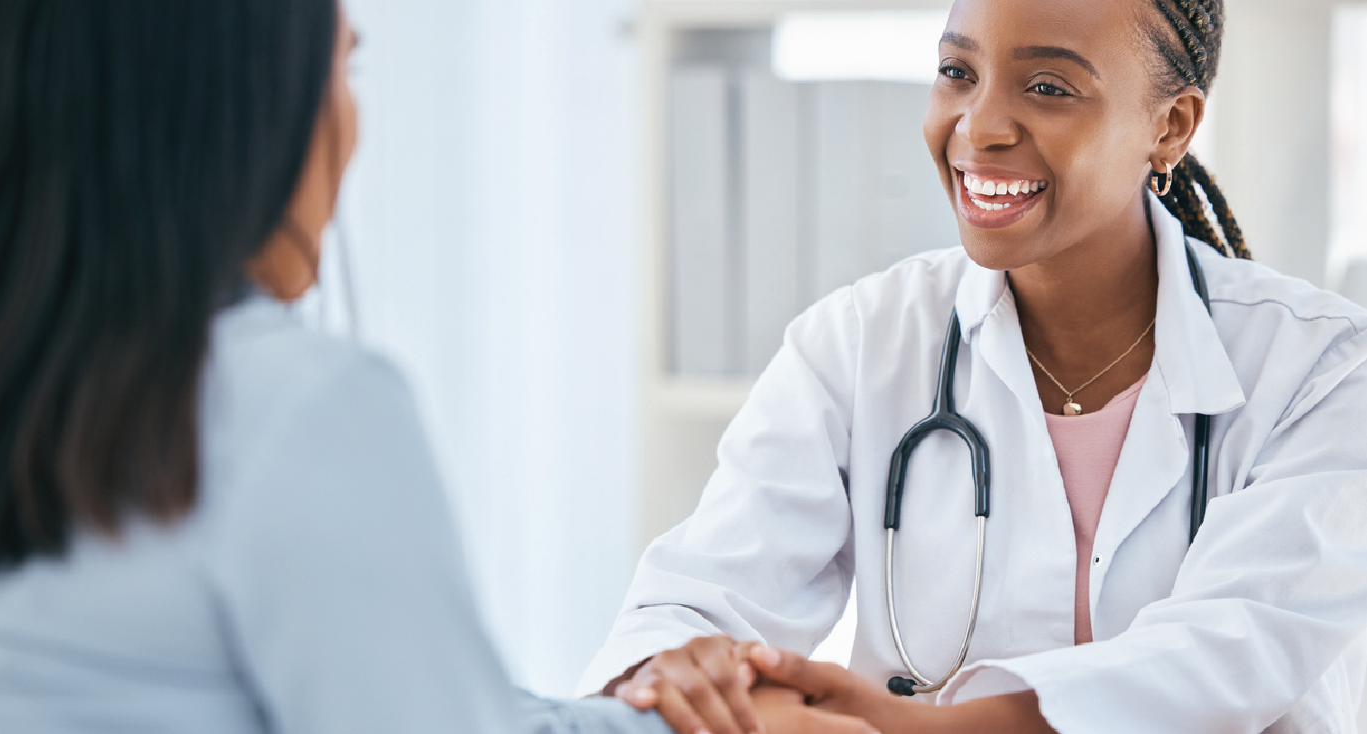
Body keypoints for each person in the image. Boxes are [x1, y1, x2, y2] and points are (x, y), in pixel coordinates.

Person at [0, 3, 877, 733]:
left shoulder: (15, 388)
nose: (351, 125)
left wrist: (650, 717)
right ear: (236, 108)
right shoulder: (297, 407)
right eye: (343, 68)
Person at [579, 0, 1367, 731]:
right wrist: (680, 669)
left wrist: (922, 727)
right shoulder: (857, 343)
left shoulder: (1318, 367)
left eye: (1049, 87)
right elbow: (698, 598)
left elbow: (1234, 652)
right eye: (958, 72)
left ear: (1169, 126)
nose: (978, 124)